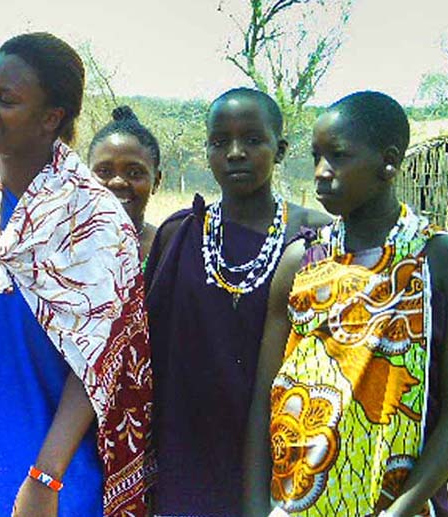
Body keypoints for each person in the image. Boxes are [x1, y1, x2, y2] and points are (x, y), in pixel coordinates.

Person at [0, 32, 153, 516]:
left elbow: (98, 365)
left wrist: (46, 476)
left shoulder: (92, 223)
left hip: (39, 474)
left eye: (6, 99)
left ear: (51, 118)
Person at [243, 91, 448, 516]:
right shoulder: (300, 262)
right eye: (316, 156)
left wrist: (400, 511)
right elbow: (265, 398)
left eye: (337, 157)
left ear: (388, 162)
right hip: (294, 503)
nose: (322, 173)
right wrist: (254, 508)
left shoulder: (435, 259)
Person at [144, 87, 330, 515]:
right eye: (219, 142)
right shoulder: (181, 234)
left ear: (279, 149)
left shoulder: (315, 240)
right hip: (186, 450)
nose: (234, 153)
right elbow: (150, 354)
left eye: (252, 140)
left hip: (280, 450)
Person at [88, 105, 163, 265]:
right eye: (104, 171)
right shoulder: (65, 246)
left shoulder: (168, 249)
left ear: (156, 181)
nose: (118, 182)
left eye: (134, 173)